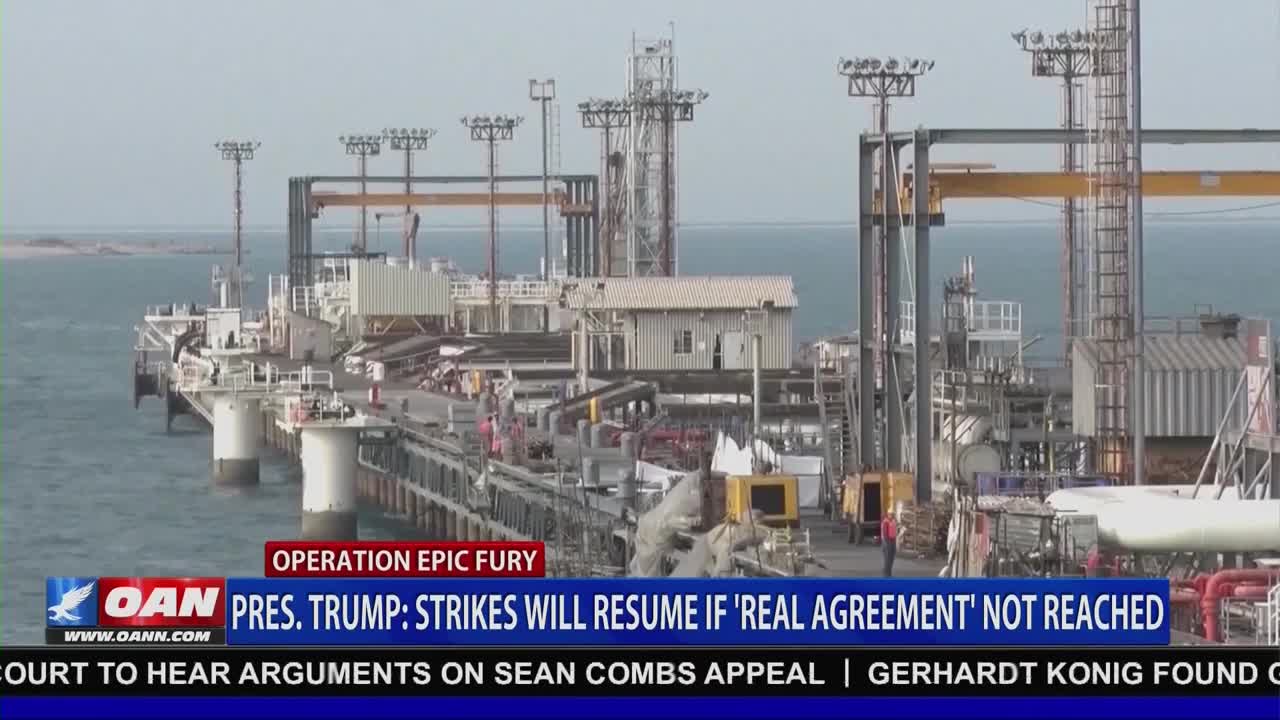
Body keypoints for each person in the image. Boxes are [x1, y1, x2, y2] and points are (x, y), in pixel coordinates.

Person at [880, 508, 898, 577]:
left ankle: (889, 573)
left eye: (893, 514)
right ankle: (886, 573)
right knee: (887, 559)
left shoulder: (893, 521)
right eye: (891, 514)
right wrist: (887, 543)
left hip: (893, 541)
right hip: (887, 542)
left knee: (891, 558)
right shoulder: (885, 522)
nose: (892, 516)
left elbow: (895, 531)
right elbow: (885, 534)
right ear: (888, 514)